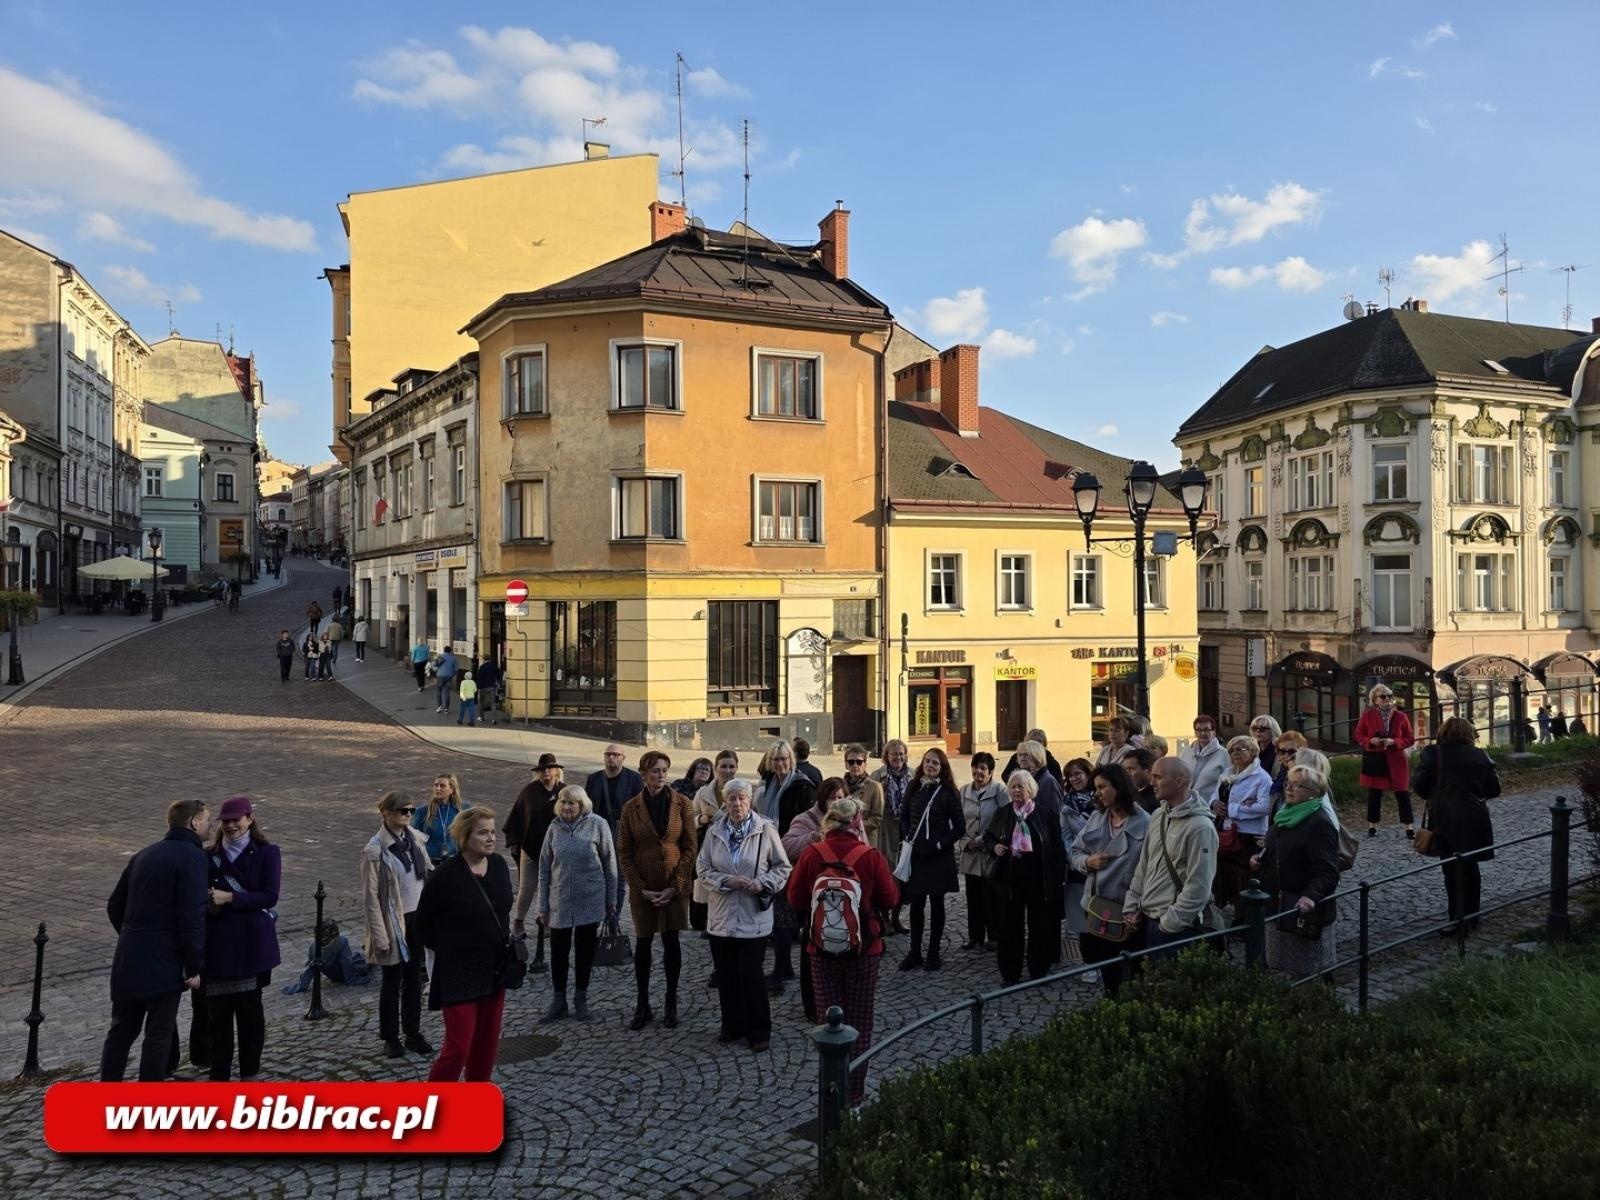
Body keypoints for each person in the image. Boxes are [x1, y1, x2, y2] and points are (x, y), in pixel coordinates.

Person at [786, 796, 898, 1104]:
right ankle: (855, 1095)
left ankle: (832, 1094)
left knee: (828, 1025)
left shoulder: (812, 853)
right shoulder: (870, 856)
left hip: (820, 949)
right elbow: (890, 899)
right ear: (857, 823)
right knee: (860, 1022)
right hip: (865, 950)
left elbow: (794, 897)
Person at [100, 799, 209, 1082]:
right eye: (207, 820)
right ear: (194, 822)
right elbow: (191, 916)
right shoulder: (194, 857)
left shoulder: (143, 855)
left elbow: (115, 905)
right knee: (158, 1034)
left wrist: (134, 935)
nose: (210, 826)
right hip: (164, 960)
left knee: (121, 1032)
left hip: (129, 957)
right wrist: (193, 965)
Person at [415, 808, 513, 1082]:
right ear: (465, 836)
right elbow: (423, 926)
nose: (491, 838)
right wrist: (452, 947)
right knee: (458, 1047)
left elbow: (503, 909)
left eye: (492, 832)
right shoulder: (446, 875)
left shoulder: (498, 865)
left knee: (486, 1045)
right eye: (483, 833)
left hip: (494, 968)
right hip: (458, 972)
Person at [698, 778, 791, 1052]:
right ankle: (732, 1025)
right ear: (724, 802)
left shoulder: (765, 830)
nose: (737, 803)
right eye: (731, 798)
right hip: (721, 917)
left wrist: (762, 883)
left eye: (742, 798)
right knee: (726, 976)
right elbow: (702, 870)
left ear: (750, 801)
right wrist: (727, 881)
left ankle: (759, 1030)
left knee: (752, 976)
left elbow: (783, 867)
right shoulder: (715, 831)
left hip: (753, 918)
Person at [200, 797, 281, 1082]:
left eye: (236, 819)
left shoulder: (267, 852)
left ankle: (249, 1070)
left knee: (250, 1011)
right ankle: (219, 1072)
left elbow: (269, 896)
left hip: (251, 944)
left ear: (250, 818)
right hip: (219, 944)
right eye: (226, 821)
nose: (231, 825)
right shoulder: (209, 856)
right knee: (217, 1015)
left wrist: (231, 898)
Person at [617, 750, 697, 1030]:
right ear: (643, 774)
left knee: (671, 943)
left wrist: (675, 886)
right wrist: (640, 888)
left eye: (664, 770)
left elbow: (690, 847)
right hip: (645, 887)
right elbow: (624, 852)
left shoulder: (683, 804)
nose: (661, 775)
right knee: (643, 944)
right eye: (655, 771)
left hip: (674, 885)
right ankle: (643, 1004)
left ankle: (671, 1002)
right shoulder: (631, 808)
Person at [532, 786, 618, 1023]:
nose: (567, 807)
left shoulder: (598, 825)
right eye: (563, 802)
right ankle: (559, 1001)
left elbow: (610, 864)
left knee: (584, 951)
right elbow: (544, 868)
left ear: (582, 804)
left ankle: (581, 999)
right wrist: (542, 906)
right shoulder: (554, 827)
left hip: (590, 899)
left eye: (572, 803)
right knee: (558, 952)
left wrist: (611, 901)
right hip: (559, 900)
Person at [1122, 757, 1220, 957]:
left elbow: (1199, 885)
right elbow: (1144, 865)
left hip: (1174, 928)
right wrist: (1132, 904)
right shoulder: (1158, 815)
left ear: (1179, 781)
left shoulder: (1200, 827)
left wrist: (1170, 923)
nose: (1151, 782)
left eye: (1158, 777)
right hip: (1147, 920)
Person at [1411, 717, 1500, 932]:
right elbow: (1494, 789)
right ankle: (1472, 916)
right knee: (1471, 868)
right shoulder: (1481, 756)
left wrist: (1436, 793)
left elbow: (1419, 785)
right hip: (1476, 817)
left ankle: (1457, 919)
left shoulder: (1433, 753)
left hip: (1445, 817)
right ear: (1469, 734)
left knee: (1451, 870)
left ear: (1443, 732)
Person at [361, 791, 432, 1059]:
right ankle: (390, 1037)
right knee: (392, 979)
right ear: (386, 813)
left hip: (416, 917)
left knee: (414, 977)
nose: (408, 815)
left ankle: (412, 1032)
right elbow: (371, 897)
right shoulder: (375, 849)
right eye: (403, 810)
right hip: (392, 919)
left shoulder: (415, 840)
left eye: (411, 810)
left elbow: (426, 875)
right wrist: (380, 935)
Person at [1255, 763, 1341, 977]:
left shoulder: (1319, 823)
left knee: (1308, 972)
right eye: (1288, 782)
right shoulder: (1285, 815)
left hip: (1301, 909)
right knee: (1278, 968)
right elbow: (1277, 848)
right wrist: (1260, 859)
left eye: (1297, 785)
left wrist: (1311, 896)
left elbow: (1328, 871)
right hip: (1277, 905)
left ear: (1314, 792)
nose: (1289, 788)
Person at [1071, 764, 1150, 996]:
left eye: (1102, 787)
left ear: (1119, 787)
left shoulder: (1146, 822)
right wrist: (1088, 861)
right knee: (1108, 973)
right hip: (1097, 907)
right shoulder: (1097, 818)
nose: (1097, 793)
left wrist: (1138, 907)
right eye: (1096, 788)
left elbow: (1151, 871)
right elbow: (1074, 852)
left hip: (1128, 910)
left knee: (1132, 973)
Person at [984, 769, 1065, 985]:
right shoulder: (1003, 813)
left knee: (1039, 926)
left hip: (1039, 879)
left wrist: (1058, 873)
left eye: (1021, 786)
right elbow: (989, 837)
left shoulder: (1045, 814)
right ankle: (1010, 973)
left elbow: (1057, 847)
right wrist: (995, 847)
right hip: (1010, 880)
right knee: (1010, 928)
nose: (1017, 790)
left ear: (1031, 789)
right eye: (1013, 787)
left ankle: (1038, 969)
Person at [782, 777, 848, 1021]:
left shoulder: (852, 819)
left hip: (844, 895)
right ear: (822, 799)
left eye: (841, 798)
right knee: (812, 950)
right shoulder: (806, 819)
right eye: (832, 798)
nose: (836, 803)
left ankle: (839, 999)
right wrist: (813, 837)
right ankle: (812, 1005)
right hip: (814, 895)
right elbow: (787, 846)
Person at [756, 740, 816, 995]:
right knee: (781, 913)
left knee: (785, 914)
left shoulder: (802, 786)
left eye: (784, 759)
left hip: (793, 857)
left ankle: (783, 971)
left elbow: (810, 824)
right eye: (776, 759)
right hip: (771, 854)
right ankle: (786, 967)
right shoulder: (769, 783)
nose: (780, 764)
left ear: (792, 761)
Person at [897, 747, 964, 972]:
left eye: (935, 763)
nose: (930, 766)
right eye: (927, 761)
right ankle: (914, 952)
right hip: (917, 854)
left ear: (942, 767)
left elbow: (960, 827)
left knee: (937, 904)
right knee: (916, 904)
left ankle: (933, 953)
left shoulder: (948, 792)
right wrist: (909, 836)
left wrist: (938, 844)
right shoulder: (914, 786)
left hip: (938, 856)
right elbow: (904, 816)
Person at [507, 754, 565, 969]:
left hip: (556, 850)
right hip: (531, 849)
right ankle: (518, 922)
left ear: (557, 771)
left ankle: (547, 921)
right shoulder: (529, 792)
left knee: (553, 887)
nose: (546, 772)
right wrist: (516, 844)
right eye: (543, 769)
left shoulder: (564, 791)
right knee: (527, 888)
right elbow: (516, 817)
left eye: (550, 768)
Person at [1211, 736, 1273, 911]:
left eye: (1240, 749)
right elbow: (1215, 794)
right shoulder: (1227, 773)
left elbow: (1265, 806)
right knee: (1225, 871)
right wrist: (1214, 803)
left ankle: (1246, 913)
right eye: (1231, 750)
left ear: (1253, 752)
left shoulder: (1261, 777)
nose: (1235, 753)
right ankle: (1227, 906)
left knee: (1244, 875)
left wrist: (1234, 809)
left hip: (1248, 834)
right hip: (1225, 830)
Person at [587, 745, 644, 911]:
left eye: (616, 754)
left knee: (618, 876)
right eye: (608, 754)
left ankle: (613, 917)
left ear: (623, 758)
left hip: (622, 831)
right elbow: (586, 806)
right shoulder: (594, 779)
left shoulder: (633, 779)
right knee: (597, 874)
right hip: (597, 831)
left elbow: (640, 808)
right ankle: (597, 913)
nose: (611, 757)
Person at [1355, 685, 1415, 839]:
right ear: (1375, 700)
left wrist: (1394, 742)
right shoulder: (1367, 716)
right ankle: (1372, 826)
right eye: (1383, 696)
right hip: (1376, 759)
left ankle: (1409, 827)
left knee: (1402, 793)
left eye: (1389, 695)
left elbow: (1410, 738)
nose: (1387, 698)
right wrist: (1370, 741)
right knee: (1374, 793)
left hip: (1397, 760)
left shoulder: (1401, 716)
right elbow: (1358, 735)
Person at [691, 750, 739, 937]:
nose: (728, 770)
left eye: (731, 766)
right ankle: (710, 924)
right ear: (716, 768)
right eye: (723, 766)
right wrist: (702, 819)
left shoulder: (742, 792)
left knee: (728, 887)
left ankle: (726, 925)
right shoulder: (703, 792)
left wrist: (719, 816)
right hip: (708, 847)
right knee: (708, 886)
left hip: (733, 848)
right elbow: (690, 820)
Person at [959, 752, 1003, 950]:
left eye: (983, 768)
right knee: (973, 897)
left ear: (991, 772)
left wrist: (987, 840)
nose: (978, 771)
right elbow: (957, 821)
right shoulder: (963, 791)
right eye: (976, 767)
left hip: (990, 854)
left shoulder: (1000, 791)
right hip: (970, 854)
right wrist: (964, 843)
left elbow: (1004, 820)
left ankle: (994, 936)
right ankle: (974, 936)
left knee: (991, 898)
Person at [870, 741, 910, 934]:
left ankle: (896, 917)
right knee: (886, 876)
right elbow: (869, 804)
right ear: (886, 756)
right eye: (894, 754)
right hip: (885, 832)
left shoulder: (912, 776)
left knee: (902, 877)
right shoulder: (877, 777)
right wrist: (882, 791)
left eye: (901, 753)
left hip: (905, 830)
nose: (898, 757)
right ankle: (884, 918)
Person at [413, 774, 469, 866]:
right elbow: (412, 837)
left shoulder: (463, 810)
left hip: (455, 862)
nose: (438, 788)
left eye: (442, 786)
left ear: (451, 789)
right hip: (430, 863)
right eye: (435, 785)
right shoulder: (423, 811)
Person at [1180, 715, 1229, 808]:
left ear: (1214, 732)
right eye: (1199, 730)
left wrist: (1215, 801)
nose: (1202, 733)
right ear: (1195, 732)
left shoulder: (1224, 755)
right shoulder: (1186, 751)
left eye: (1207, 730)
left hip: (1208, 807)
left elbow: (1228, 783)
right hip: (1186, 805)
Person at [1000, 728, 1064, 785]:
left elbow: (1058, 782)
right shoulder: (1017, 756)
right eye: (1032, 741)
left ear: (1044, 744)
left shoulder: (1051, 762)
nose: (1035, 744)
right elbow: (1005, 775)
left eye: (1039, 741)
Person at [1268, 731, 1309, 807]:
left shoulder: (1310, 774)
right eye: (1282, 751)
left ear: (1302, 752)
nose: (1286, 756)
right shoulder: (1282, 770)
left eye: (1292, 751)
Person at [1125, 748, 1159, 814]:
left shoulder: (1157, 798)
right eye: (1125, 769)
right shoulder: (1129, 794)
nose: (1126, 773)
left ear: (1149, 769)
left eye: (1131, 769)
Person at [1249, 715, 1282, 779]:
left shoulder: (1280, 749)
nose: (1258, 731)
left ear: (1273, 730)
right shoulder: (1250, 747)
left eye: (1263, 729)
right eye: (1254, 728)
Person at [433, 645, 458, 715]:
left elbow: (435, 664)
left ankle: (439, 706)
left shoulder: (440, 656)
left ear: (444, 650)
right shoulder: (453, 658)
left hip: (440, 676)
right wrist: (452, 674)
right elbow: (456, 669)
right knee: (447, 692)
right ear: (450, 651)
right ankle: (446, 708)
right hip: (449, 677)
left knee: (439, 691)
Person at [474, 655, 500, 720]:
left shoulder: (482, 667)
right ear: (489, 659)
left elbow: (479, 678)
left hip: (483, 687)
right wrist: (498, 682)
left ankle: (481, 717)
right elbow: (498, 674)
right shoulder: (493, 666)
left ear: (484, 659)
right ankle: (494, 719)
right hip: (492, 686)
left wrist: (478, 687)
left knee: (481, 702)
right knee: (493, 703)